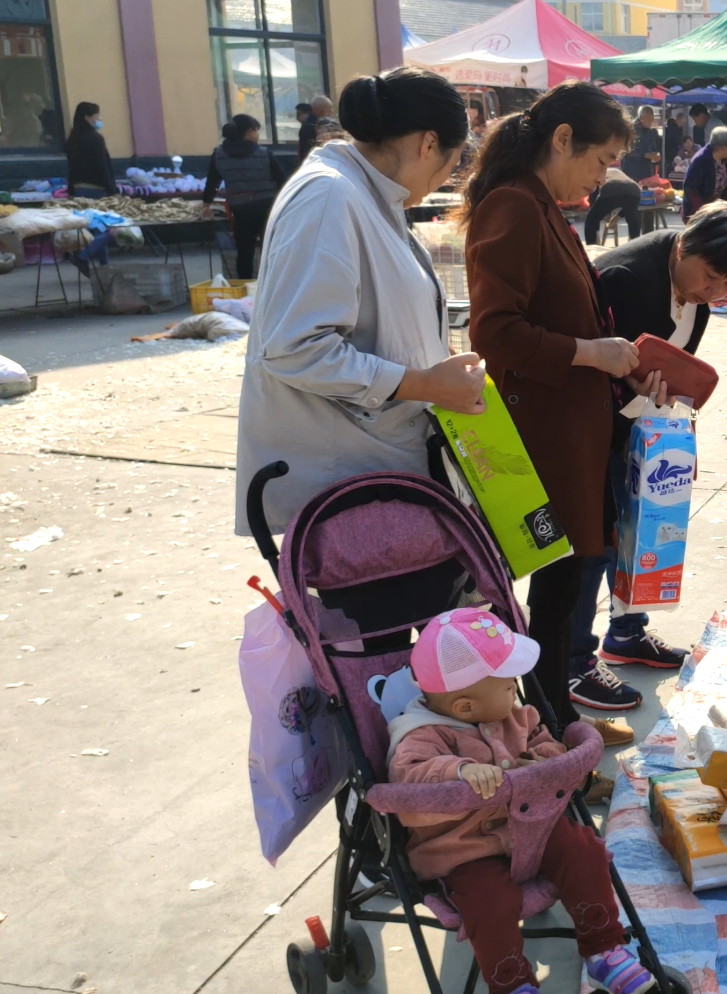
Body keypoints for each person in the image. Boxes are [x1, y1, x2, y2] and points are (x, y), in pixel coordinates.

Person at [460, 81, 647, 716]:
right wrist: (592, 353)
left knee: (565, 587)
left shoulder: (542, 206)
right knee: (550, 588)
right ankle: (541, 717)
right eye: (598, 161)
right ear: (562, 140)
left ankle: (548, 713)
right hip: (539, 440)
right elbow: (492, 331)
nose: (600, 179)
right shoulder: (513, 206)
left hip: (574, 433)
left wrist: (615, 359)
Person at [236, 67, 478, 535]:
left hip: (380, 465)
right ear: (428, 144)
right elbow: (295, 348)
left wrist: (434, 362)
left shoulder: (369, 193)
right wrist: (424, 383)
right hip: (346, 483)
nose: (438, 183)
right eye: (447, 169)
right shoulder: (329, 195)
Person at [387, 608, 657, 994]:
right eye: (509, 685)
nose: (517, 690)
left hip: (534, 829)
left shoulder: (517, 716)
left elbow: (547, 744)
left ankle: (604, 951)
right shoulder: (421, 737)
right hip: (465, 850)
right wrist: (457, 771)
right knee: (488, 902)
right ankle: (513, 983)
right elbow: (408, 776)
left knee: (583, 849)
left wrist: (542, 762)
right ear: (465, 708)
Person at [585, 204, 727, 680]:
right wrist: (628, 389)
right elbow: (585, 363)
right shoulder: (625, 277)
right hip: (593, 427)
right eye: (708, 277)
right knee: (595, 539)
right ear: (683, 246)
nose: (712, 292)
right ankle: (575, 659)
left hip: (642, 426)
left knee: (635, 531)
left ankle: (626, 632)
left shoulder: (696, 292)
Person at [199, 114, 287, 280]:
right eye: (256, 131)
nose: (257, 135)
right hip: (267, 207)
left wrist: (206, 204)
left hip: (241, 209)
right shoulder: (263, 153)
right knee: (270, 247)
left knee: (244, 250)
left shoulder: (219, 154)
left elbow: (213, 181)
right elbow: (282, 179)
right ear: (249, 131)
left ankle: (245, 285)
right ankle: (273, 284)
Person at [682, 126, 727, 222]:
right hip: (700, 213)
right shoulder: (701, 160)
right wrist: (703, 211)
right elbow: (690, 188)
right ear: (724, 147)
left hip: (718, 211)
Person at [64, 102, 115, 197]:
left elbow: (71, 167)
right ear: (87, 117)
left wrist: (70, 190)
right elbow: (102, 165)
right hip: (97, 188)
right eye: (96, 116)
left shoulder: (72, 139)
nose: (99, 119)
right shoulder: (96, 139)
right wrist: (112, 189)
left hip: (78, 187)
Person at [585, 166, 643, 244]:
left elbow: (593, 194)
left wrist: (596, 212)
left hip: (610, 188)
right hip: (635, 190)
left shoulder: (599, 172)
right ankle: (635, 246)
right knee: (633, 217)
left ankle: (593, 247)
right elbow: (628, 203)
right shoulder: (619, 172)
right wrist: (617, 217)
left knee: (591, 221)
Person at [623, 106, 663, 180]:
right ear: (642, 118)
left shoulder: (650, 132)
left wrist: (655, 155)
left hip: (646, 172)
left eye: (652, 120)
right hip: (632, 172)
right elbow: (626, 151)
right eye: (649, 120)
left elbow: (653, 147)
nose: (651, 123)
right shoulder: (630, 130)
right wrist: (643, 155)